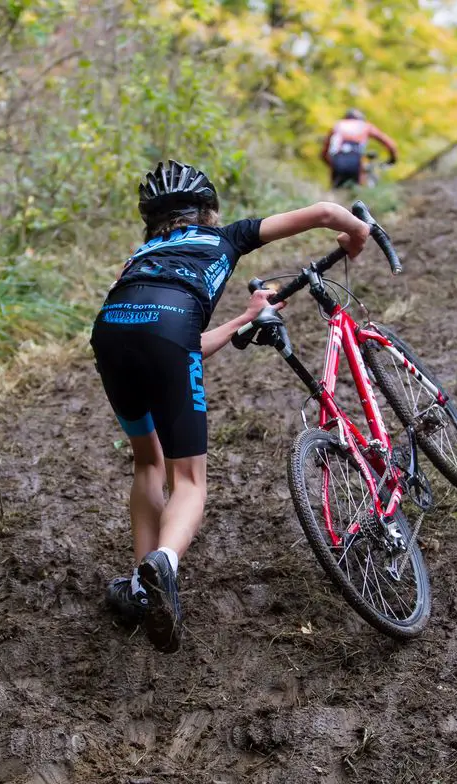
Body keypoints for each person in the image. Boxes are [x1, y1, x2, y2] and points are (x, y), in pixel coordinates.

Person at [90, 160, 370, 653]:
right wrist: (356, 234)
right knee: (190, 479)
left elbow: (178, 341)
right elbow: (327, 211)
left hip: (111, 329)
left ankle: (139, 589)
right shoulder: (229, 237)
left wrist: (244, 317)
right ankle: (164, 565)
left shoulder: (140, 256)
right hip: (170, 331)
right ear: (210, 211)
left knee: (146, 461)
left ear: (151, 223)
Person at [321, 109, 398, 188]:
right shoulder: (365, 126)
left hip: (338, 159)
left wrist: (331, 164)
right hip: (355, 160)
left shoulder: (338, 125)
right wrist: (392, 159)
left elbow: (324, 152)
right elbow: (389, 143)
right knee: (357, 190)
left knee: (336, 190)